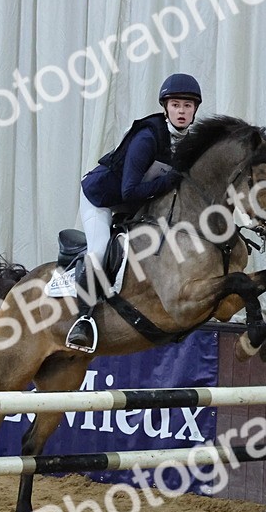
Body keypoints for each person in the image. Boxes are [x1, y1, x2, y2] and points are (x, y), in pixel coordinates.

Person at [66, 73, 203, 352]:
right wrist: (171, 179)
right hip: (102, 199)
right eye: (176, 104)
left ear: (195, 110)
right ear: (166, 107)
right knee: (100, 250)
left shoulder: (190, 143)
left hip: (138, 205)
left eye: (187, 106)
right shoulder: (148, 137)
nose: (181, 111)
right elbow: (129, 190)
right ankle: (83, 319)